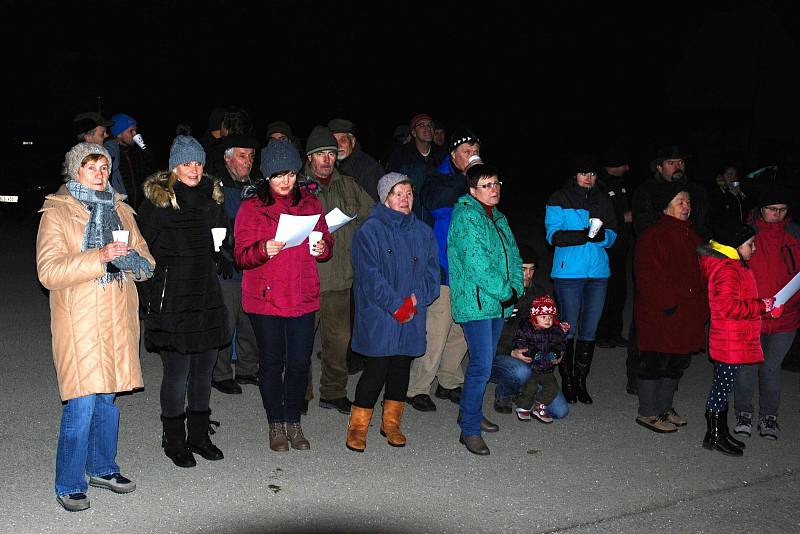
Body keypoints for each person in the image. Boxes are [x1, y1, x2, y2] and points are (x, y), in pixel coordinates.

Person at [36, 142, 154, 511]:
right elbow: (48, 271)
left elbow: (147, 261)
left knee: (108, 400)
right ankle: (69, 483)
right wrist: (99, 258)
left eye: (105, 167)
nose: (101, 174)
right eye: (92, 168)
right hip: (80, 320)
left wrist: (134, 260)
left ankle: (102, 467)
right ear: (74, 172)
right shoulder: (58, 212)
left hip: (117, 317)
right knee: (82, 403)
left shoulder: (121, 209)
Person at [137, 132, 230, 468]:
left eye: (199, 162)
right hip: (174, 297)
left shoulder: (212, 197)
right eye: (187, 162)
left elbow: (221, 242)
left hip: (205, 295)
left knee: (203, 370)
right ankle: (174, 438)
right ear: (174, 166)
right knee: (177, 372)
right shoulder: (158, 203)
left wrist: (223, 251)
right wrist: (150, 298)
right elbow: (143, 253)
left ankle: (199, 434)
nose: (194, 168)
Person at [235, 140, 333, 452]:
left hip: (302, 293)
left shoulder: (310, 202)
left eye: (290, 174)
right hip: (267, 298)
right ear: (266, 177)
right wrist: (262, 249)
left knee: (300, 363)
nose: (286, 181)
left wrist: (322, 249)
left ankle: (294, 421)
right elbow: (240, 255)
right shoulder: (252, 207)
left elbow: (325, 240)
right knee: (272, 361)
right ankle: (275, 423)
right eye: (278, 175)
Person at [346, 173, 440, 452]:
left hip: (411, 314)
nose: (405, 199)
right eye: (398, 193)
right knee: (376, 370)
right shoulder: (370, 231)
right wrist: (396, 305)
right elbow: (369, 277)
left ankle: (391, 422)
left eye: (409, 193)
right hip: (380, 314)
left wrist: (413, 300)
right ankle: (358, 427)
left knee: (401, 369)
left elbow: (433, 274)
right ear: (385, 197)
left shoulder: (422, 232)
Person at [448, 162, 524, 455]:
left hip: (497, 303)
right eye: (487, 186)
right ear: (472, 191)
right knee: (480, 366)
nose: (494, 190)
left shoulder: (498, 217)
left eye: (496, 184)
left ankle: (470, 412)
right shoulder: (467, 216)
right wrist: (506, 292)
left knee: (484, 362)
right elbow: (477, 263)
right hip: (477, 303)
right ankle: (468, 429)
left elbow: (513, 256)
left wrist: (516, 287)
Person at [405, 129, 481, 413]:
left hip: (470, 271)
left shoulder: (482, 181)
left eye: (475, 152)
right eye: (466, 153)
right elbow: (436, 204)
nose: (471, 158)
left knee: (461, 330)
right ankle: (417, 387)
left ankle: (448, 380)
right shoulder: (439, 178)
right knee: (436, 330)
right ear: (453, 155)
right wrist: (466, 177)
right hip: (443, 267)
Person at [301, 125, 374, 415]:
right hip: (305, 278)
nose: (327, 159)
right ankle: (300, 393)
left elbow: (373, 218)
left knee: (338, 342)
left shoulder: (349, 186)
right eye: (320, 154)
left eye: (331, 153)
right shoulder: (296, 187)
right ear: (309, 158)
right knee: (302, 342)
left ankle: (333, 392)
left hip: (340, 277)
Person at [697, 223, 783, 456]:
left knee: (723, 389)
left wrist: (764, 308)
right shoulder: (727, 269)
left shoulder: (733, 265)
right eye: (750, 244)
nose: (754, 248)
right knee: (721, 390)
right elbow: (728, 306)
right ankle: (714, 435)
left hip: (733, 339)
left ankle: (720, 432)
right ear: (734, 247)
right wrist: (762, 306)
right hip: (729, 342)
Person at [633, 184, 708, 433]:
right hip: (662, 314)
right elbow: (647, 277)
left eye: (688, 202)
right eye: (680, 202)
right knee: (656, 362)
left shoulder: (691, 235)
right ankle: (648, 411)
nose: (686, 207)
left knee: (677, 362)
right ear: (666, 207)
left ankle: (665, 406)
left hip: (687, 314)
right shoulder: (653, 236)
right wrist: (669, 304)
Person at [545, 154, 617, 405]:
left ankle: (580, 381)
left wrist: (602, 238)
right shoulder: (559, 198)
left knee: (590, 328)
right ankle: (566, 380)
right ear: (574, 174)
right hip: (568, 273)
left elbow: (613, 234)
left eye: (593, 173)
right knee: (569, 327)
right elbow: (553, 236)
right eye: (583, 173)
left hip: (598, 273)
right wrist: (585, 234)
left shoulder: (603, 199)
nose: (588, 178)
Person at [733, 185, 800, 440]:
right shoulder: (747, 232)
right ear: (761, 210)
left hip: (786, 317)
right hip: (754, 314)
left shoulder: (794, 234)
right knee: (748, 366)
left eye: (783, 210)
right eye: (772, 209)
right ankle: (744, 413)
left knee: (771, 368)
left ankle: (769, 416)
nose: (778, 215)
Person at [489, 244, 569, 420]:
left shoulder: (539, 295)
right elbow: (485, 337)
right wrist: (511, 352)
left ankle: (524, 391)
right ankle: (504, 393)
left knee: (560, 411)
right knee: (520, 372)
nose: (528, 275)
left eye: (531, 270)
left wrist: (558, 351)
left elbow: (553, 329)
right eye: (523, 269)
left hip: (534, 361)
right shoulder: (499, 292)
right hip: (498, 356)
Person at [209, 134, 262, 395]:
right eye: (242, 155)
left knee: (250, 320)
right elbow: (212, 224)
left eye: (251, 156)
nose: (248, 161)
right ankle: (219, 374)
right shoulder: (216, 186)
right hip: (228, 265)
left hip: (253, 263)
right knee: (226, 320)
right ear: (228, 158)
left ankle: (247, 369)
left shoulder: (256, 186)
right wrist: (222, 253)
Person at [595, 145, 633, 348]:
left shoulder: (620, 184)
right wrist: (622, 217)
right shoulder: (599, 183)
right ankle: (602, 334)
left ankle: (615, 333)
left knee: (620, 291)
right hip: (605, 247)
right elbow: (597, 215)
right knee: (605, 292)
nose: (627, 168)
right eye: (624, 164)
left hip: (621, 247)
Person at [511, 295, 570, 423]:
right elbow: (519, 341)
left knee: (552, 387)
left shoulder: (555, 330)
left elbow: (560, 343)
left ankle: (540, 405)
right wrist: (531, 352)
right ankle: (523, 405)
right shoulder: (527, 328)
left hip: (546, 369)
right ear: (534, 317)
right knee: (530, 386)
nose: (548, 320)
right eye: (543, 317)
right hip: (531, 367)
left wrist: (556, 352)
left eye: (550, 317)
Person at [386, 113, 446, 223]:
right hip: (409, 218)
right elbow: (389, 188)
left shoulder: (442, 156)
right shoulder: (401, 155)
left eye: (430, 125)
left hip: (437, 220)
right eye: (422, 125)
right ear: (413, 132)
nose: (427, 128)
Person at [105, 113, 155, 208]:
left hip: (141, 210)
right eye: (131, 131)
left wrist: (146, 152)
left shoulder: (137, 152)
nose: (135, 134)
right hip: (123, 209)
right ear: (119, 134)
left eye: (135, 130)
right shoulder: (111, 155)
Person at [328, 118, 385, 202]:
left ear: (353, 142)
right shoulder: (327, 165)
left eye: (343, 140)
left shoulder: (370, 168)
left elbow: (374, 206)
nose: (338, 146)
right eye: (334, 141)